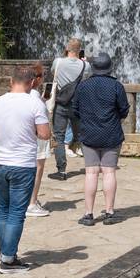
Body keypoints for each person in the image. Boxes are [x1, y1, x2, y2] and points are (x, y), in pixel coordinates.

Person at [0, 64, 52, 274]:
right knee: (16, 214)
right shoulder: (34, 104)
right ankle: (8, 261)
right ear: (31, 83)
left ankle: (5, 253)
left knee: (3, 210)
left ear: (11, 82)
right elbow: (45, 134)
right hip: (23, 165)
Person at [71, 53, 128, 226]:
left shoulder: (83, 86)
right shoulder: (116, 86)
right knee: (109, 172)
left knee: (91, 173)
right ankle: (109, 212)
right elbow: (124, 110)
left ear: (93, 68)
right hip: (111, 134)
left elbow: (75, 110)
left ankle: (88, 214)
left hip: (88, 134)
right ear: (110, 68)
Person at [48, 38, 87, 181]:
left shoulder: (57, 62)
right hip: (77, 106)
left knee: (59, 137)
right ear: (79, 50)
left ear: (66, 49)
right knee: (82, 136)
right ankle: (91, 166)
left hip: (61, 104)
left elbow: (54, 75)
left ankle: (62, 171)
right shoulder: (86, 65)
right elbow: (86, 80)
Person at [26, 62, 52, 218]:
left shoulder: (20, 96)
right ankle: (32, 202)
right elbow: (43, 130)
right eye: (42, 75)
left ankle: (24, 200)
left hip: (22, 136)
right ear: (38, 79)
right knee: (37, 168)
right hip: (37, 136)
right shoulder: (36, 101)